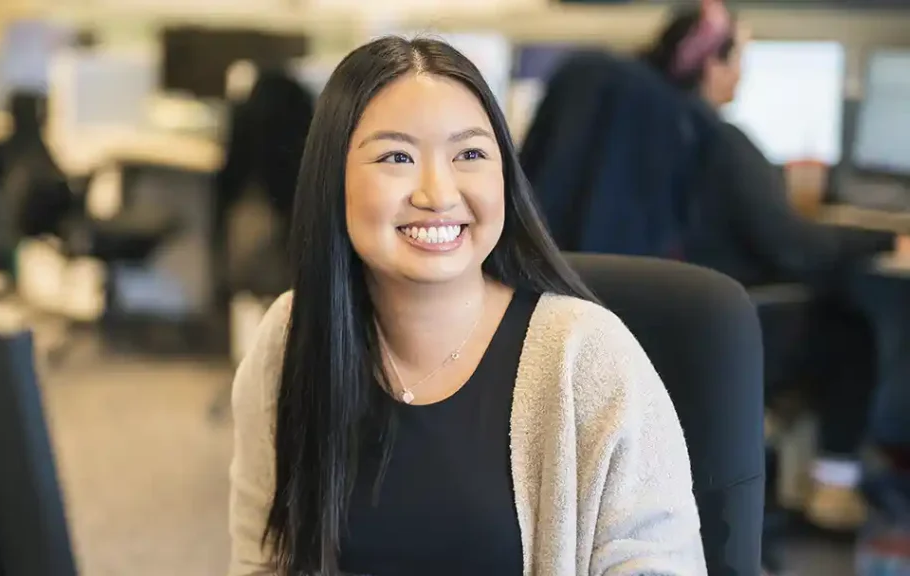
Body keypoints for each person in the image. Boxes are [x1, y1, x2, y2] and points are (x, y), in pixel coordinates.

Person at [229, 36, 705, 575]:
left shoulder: (587, 357)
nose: (438, 193)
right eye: (397, 156)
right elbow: (264, 559)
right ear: (333, 180)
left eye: (470, 154)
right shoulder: (290, 338)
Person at [641, 0, 904, 534]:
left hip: (668, 321)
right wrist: (887, 236)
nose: (741, 73)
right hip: (728, 323)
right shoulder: (722, 140)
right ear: (713, 65)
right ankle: (833, 490)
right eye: (739, 59)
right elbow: (795, 248)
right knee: (848, 330)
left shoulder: (652, 128)